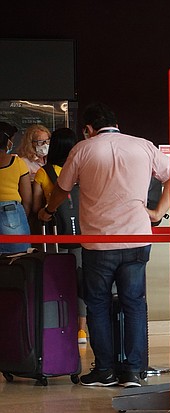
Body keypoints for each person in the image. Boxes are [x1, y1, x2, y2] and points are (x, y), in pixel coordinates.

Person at [39, 102, 170, 387]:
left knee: (97, 305)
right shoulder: (143, 146)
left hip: (99, 243)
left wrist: (47, 211)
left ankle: (105, 371)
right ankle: (134, 371)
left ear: (88, 129)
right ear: (116, 122)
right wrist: (158, 212)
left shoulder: (83, 149)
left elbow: (62, 189)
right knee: (134, 304)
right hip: (137, 238)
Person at [32, 127, 88, 343]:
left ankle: (59, 325)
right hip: (84, 235)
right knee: (81, 278)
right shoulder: (83, 170)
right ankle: (81, 330)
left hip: (56, 236)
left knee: (57, 280)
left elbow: (37, 207)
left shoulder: (43, 173)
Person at [0, 121, 32, 253]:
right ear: (8, 142)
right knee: (19, 258)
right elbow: (27, 199)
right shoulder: (17, 162)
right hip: (11, 212)